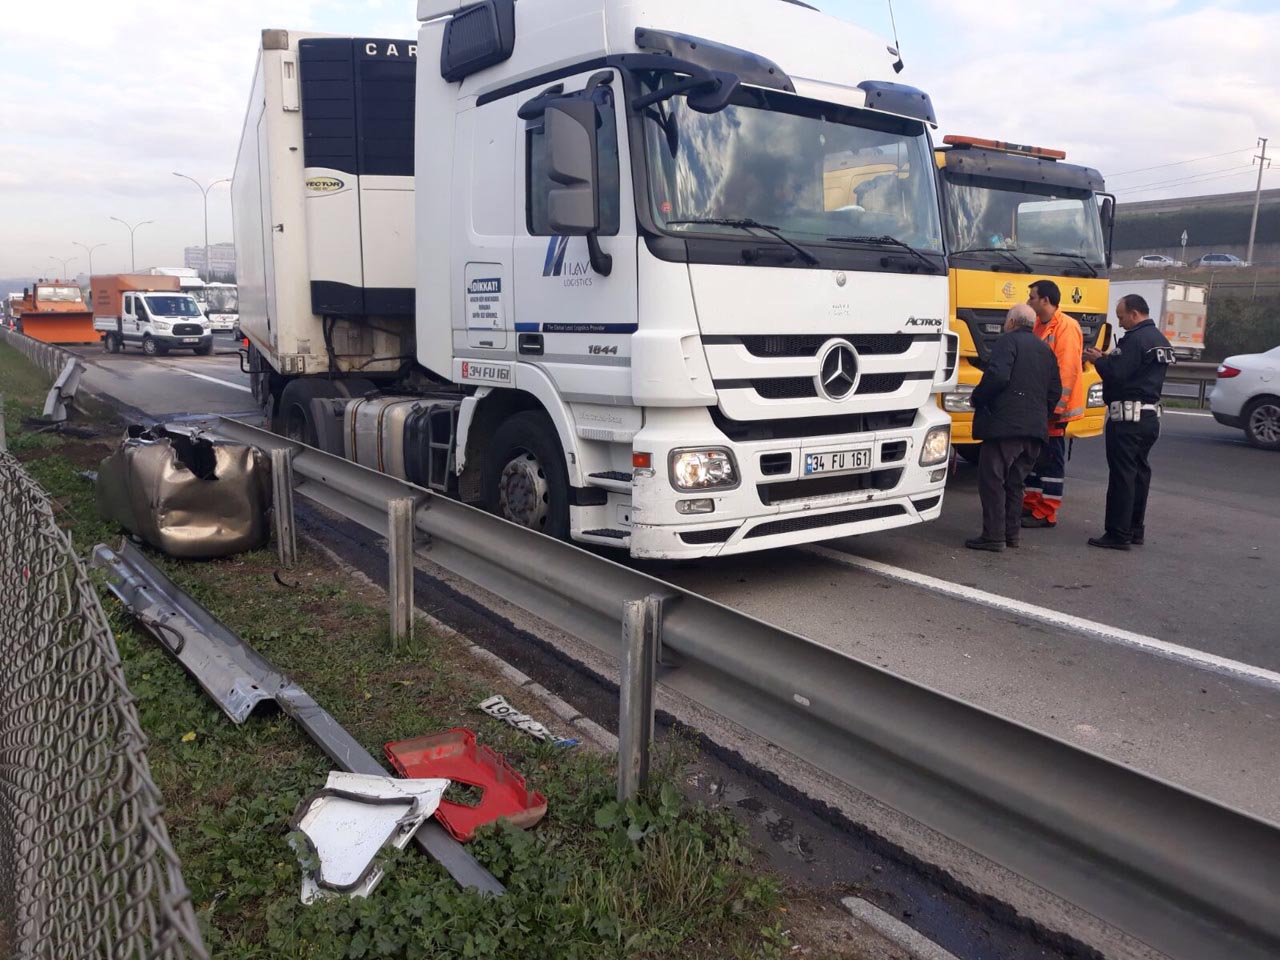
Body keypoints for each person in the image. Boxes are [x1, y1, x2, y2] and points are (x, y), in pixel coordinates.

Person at [965, 304, 1062, 552]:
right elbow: (1055, 391)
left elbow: (997, 376)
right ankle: (1011, 535)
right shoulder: (1045, 349)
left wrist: (977, 398)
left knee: (992, 480)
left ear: (1011, 322)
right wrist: (1040, 413)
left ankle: (993, 537)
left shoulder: (1007, 342)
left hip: (1005, 427)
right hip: (1035, 430)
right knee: (1016, 483)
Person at [1083, 294, 1174, 549]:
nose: (1120, 323)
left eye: (1122, 317)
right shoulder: (1159, 338)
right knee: (1139, 473)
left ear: (1134, 314)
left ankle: (1117, 533)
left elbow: (1117, 373)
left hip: (1127, 418)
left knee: (1123, 475)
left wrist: (1098, 360)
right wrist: (1108, 357)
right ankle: (1135, 529)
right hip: (1149, 417)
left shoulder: (1135, 339)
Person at [1021, 279, 1086, 530]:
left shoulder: (1067, 327)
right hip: (1041, 407)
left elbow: (1066, 370)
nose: (1029, 302)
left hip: (1055, 409)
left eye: (1032, 297)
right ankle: (1032, 503)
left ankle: (1047, 512)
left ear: (1046, 300)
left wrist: (1056, 407)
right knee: (1036, 459)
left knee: (1051, 461)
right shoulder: (1039, 325)